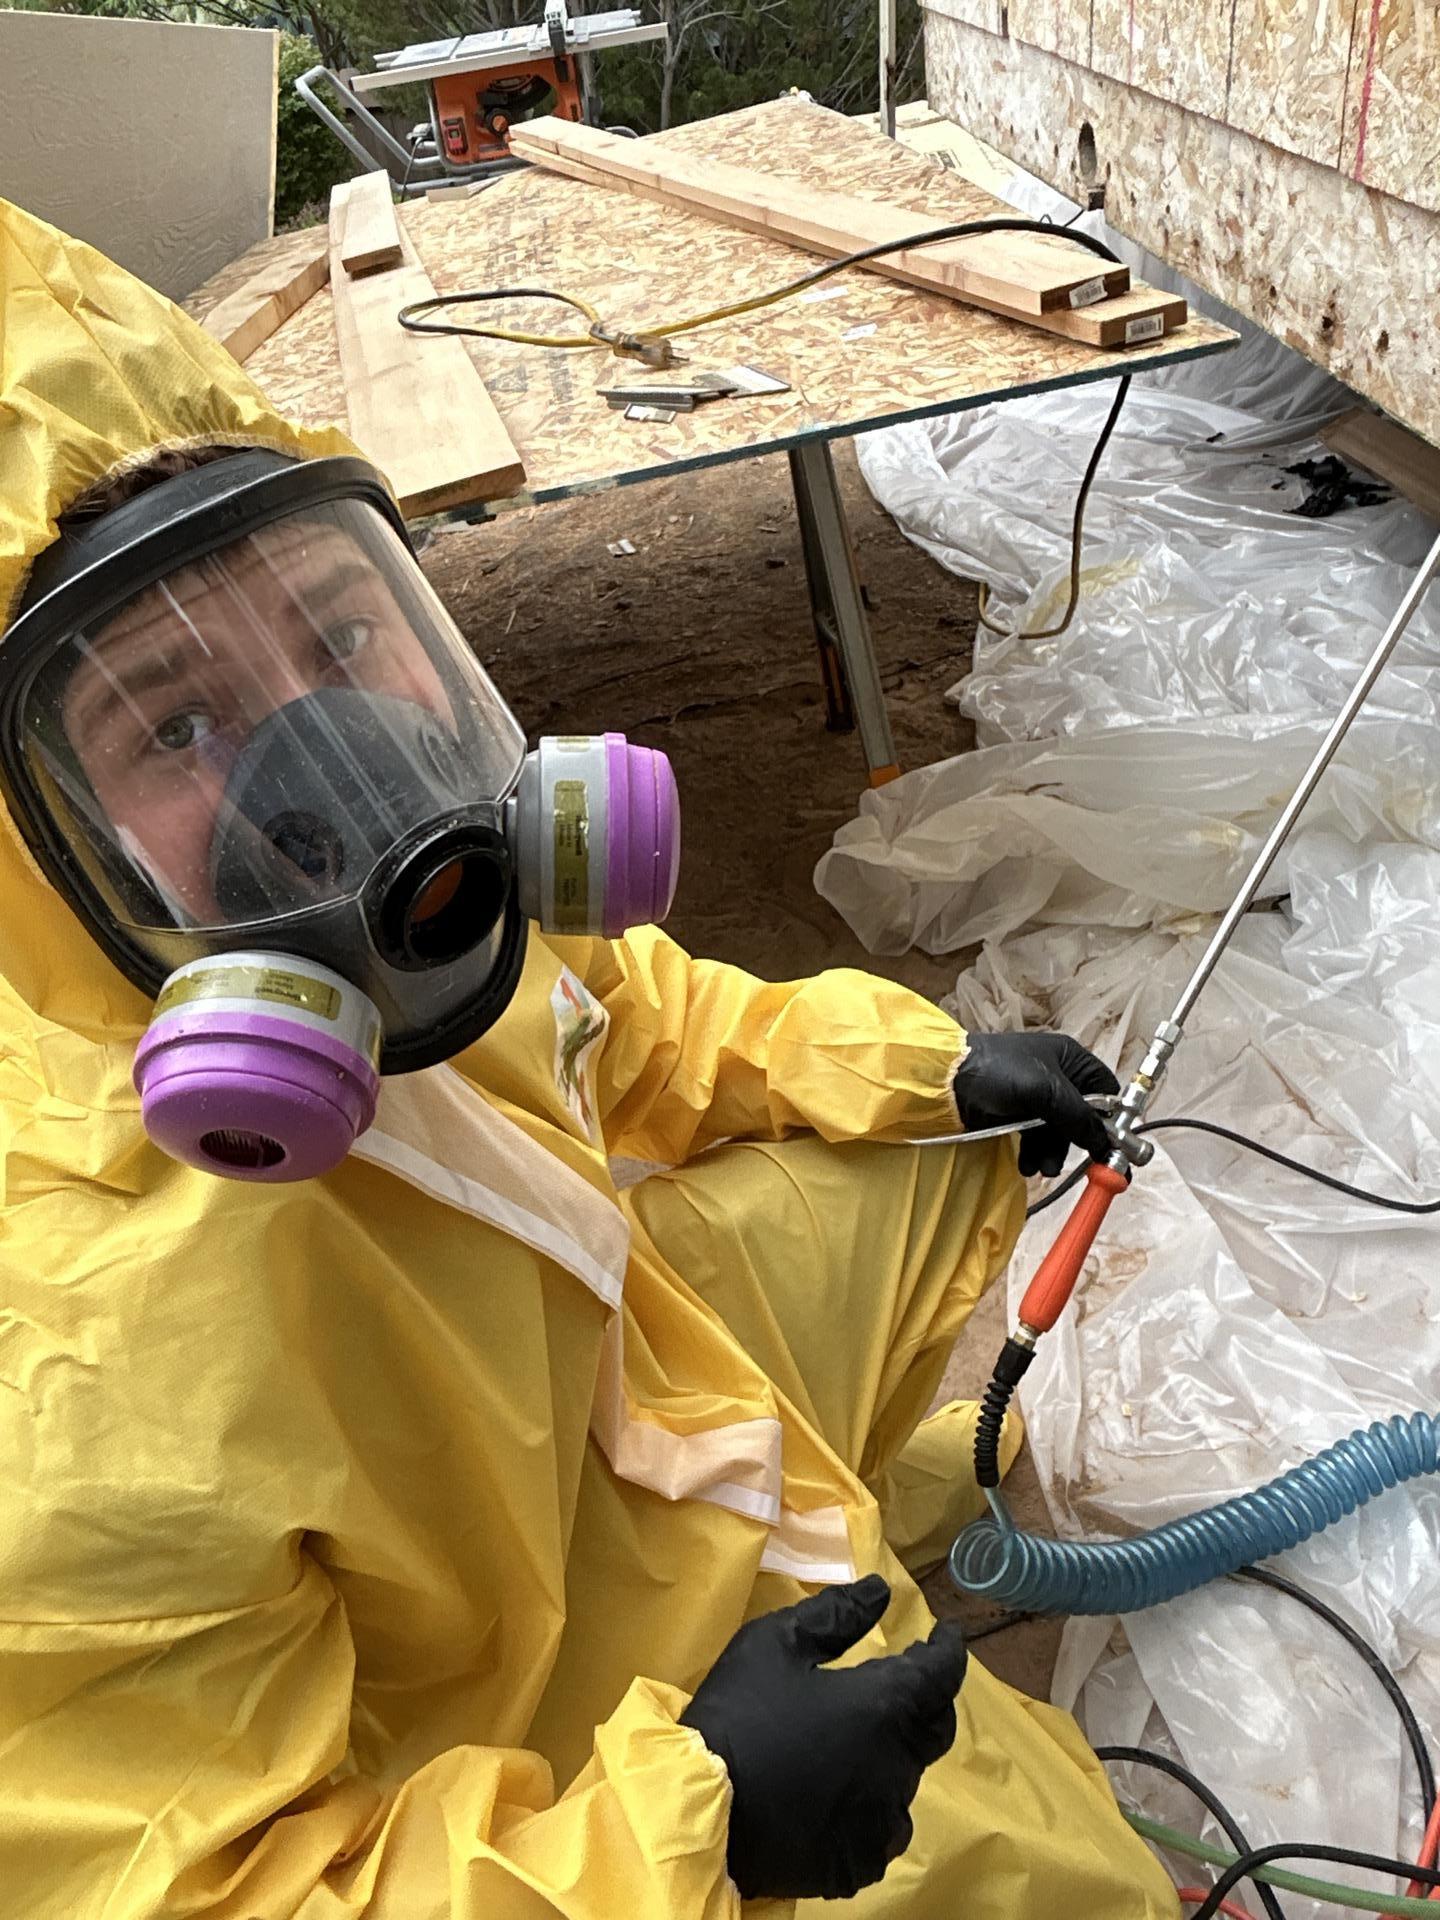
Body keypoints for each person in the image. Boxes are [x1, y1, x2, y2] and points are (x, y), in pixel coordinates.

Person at [0, 198, 1179, 1919]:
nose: (327, 762)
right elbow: (197, 1890)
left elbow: (622, 1020)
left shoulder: (405, 960)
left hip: (559, 1410)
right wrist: (687, 1834)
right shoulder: (78, 1362)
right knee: (1025, 1878)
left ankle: (839, 1501)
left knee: (917, 1175)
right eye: (172, 725)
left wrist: (929, 1074)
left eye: (337, 635)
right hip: (502, 1777)